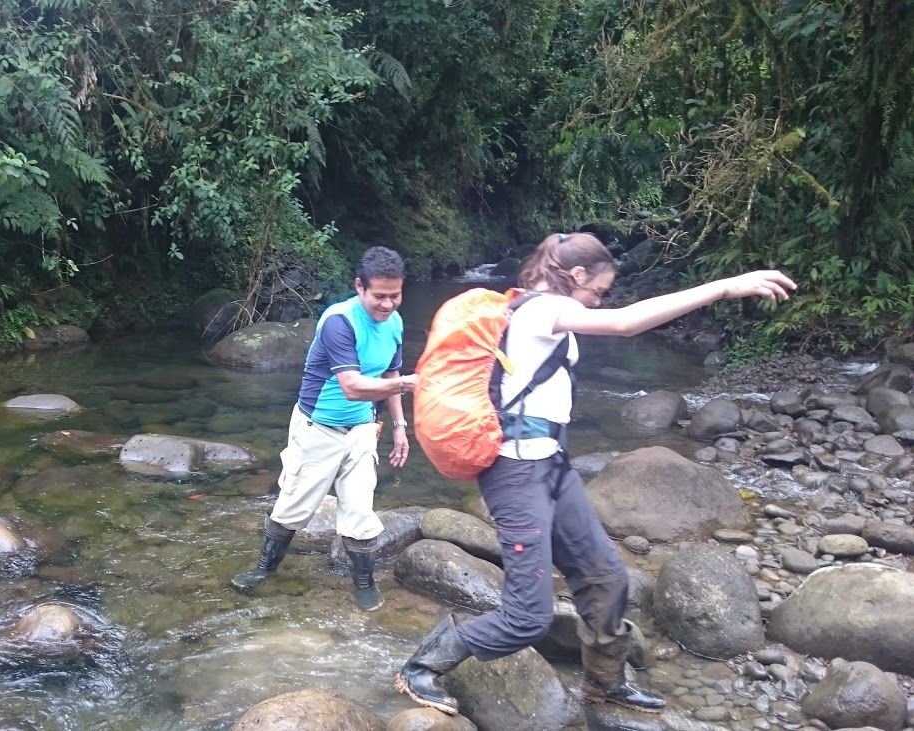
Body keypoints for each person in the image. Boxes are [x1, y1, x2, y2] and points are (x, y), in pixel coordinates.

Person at [394, 232, 796, 714]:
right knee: (528, 616)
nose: (598, 302)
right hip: (516, 471)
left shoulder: (546, 314)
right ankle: (421, 667)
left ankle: (604, 682)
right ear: (577, 276)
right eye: (598, 292)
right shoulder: (540, 309)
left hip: (552, 465)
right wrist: (724, 287)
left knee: (606, 578)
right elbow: (626, 323)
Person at [231, 246, 418, 612]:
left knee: (360, 510)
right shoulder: (339, 321)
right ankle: (263, 569)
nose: (388, 304)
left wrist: (399, 426)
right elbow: (352, 385)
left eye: (395, 295)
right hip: (318, 429)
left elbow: (391, 374)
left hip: (362, 428)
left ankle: (363, 585)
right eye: (379, 295)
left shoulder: (394, 323)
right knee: (292, 507)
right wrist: (409, 385)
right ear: (359, 287)